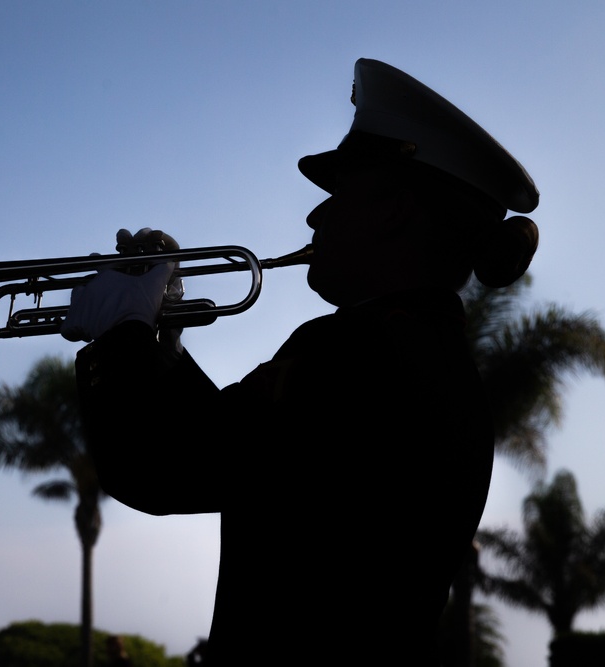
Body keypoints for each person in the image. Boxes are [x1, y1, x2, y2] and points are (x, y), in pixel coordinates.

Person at [61, 58, 539, 665]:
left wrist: (120, 334)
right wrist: (160, 337)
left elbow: (163, 466)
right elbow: (232, 447)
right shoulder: (418, 354)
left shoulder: (365, 353)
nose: (316, 216)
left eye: (339, 193)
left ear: (395, 210)